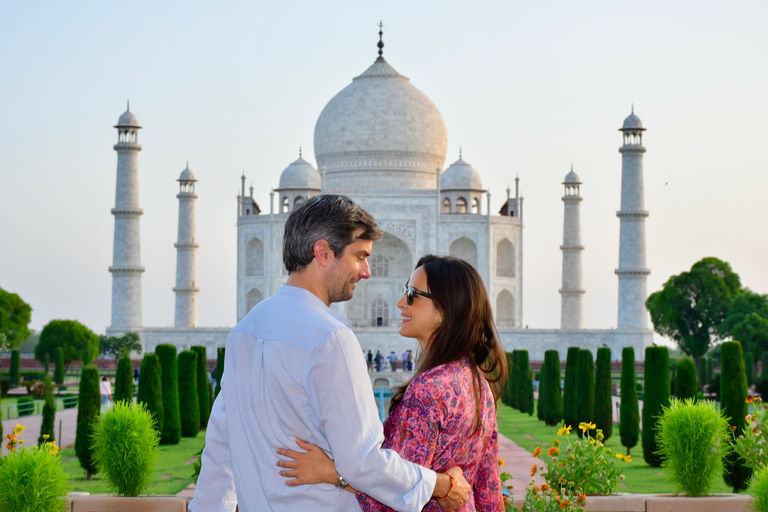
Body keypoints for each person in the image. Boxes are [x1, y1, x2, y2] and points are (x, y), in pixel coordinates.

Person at [190, 196, 469, 512]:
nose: (365, 272)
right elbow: (362, 461)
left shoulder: (245, 331)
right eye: (359, 257)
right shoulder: (329, 338)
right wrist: (441, 485)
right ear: (323, 252)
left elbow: (220, 448)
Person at [276, 255, 507, 511]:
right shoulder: (478, 383)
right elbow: (489, 488)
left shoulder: (429, 390)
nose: (400, 303)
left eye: (412, 294)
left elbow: (396, 496)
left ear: (444, 310)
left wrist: (330, 473)